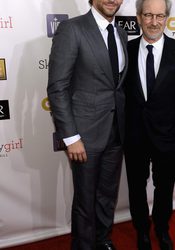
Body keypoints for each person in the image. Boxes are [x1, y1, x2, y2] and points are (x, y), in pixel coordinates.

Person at [47, 0, 128, 249]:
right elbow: (57, 87)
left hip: (115, 131)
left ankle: (103, 241)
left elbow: (115, 86)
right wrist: (71, 137)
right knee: (85, 199)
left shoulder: (122, 32)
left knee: (107, 196)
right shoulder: (72, 29)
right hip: (84, 134)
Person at [124, 0, 175, 249]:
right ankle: (142, 231)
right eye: (148, 15)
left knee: (164, 190)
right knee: (136, 189)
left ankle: (162, 229)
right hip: (134, 138)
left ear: (167, 18)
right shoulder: (126, 50)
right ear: (138, 17)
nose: (154, 22)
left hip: (169, 139)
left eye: (160, 16)